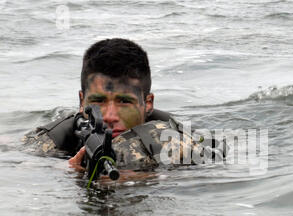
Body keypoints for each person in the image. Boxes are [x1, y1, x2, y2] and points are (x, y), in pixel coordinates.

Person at [22, 38, 226, 175]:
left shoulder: (176, 141)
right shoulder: (50, 140)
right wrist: (70, 175)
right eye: (98, 101)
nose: (110, 116)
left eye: (124, 101)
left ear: (147, 104)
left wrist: (143, 180)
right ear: (82, 102)